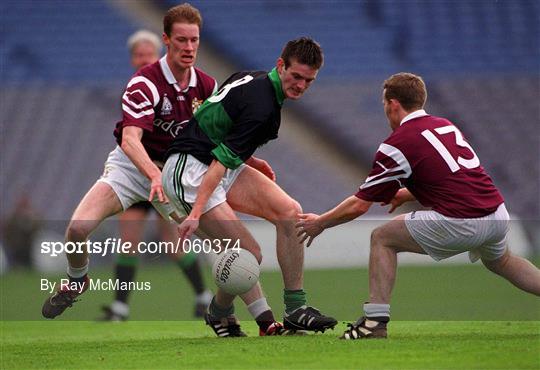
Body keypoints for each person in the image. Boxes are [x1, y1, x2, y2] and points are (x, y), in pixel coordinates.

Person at [42, 4, 289, 337]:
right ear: (166, 40)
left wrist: (250, 160)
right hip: (131, 170)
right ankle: (77, 281)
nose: (188, 48)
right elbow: (130, 139)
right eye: (181, 41)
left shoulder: (206, 85)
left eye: (194, 41)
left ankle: (254, 320)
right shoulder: (145, 82)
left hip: (176, 175)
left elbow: (217, 135)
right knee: (75, 230)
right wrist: (153, 175)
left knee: (228, 246)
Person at [296, 72, 540, 340]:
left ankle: (374, 323)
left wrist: (320, 223)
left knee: (382, 238)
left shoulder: (397, 143)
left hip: (462, 221)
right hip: (496, 214)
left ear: (393, 104)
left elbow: (359, 205)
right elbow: (454, 177)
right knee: (502, 261)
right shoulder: (444, 125)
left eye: (385, 106)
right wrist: (408, 193)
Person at [162, 37, 338, 337]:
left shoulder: (253, 77)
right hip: (189, 172)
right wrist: (196, 212)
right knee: (248, 255)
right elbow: (218, 160)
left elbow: (215, 118)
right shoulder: (263, 107)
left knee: (290, 213)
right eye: (296, 76)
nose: (301, 85)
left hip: (218, 163)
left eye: (309, 80)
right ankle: (220, 313)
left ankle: (295, 309)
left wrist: (250, 160)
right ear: (281, 66)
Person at [99, 29, 212, 321]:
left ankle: (203, 295)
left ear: (157, 54)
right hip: (139, 174)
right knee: (128, 240)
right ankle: (121, 307)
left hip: (165, 174)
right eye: (137, 55)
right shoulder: (136, 87)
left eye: (147, 54)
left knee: (173, 243)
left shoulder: (170, 85)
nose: (142, 59)